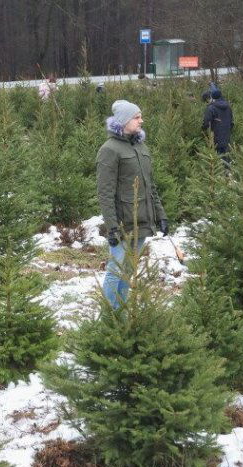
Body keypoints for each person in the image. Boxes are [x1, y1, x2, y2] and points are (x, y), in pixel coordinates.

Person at [96, 100, 168, 310]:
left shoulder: (141, 147)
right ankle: (110, 316)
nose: (141, 120)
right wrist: (112, 226)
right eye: (137, 117)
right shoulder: (109, 150)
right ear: (124, 120)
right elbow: (105, 192)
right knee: (116, 270)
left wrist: (160, 215)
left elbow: (149, 185)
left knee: (128, 270)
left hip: (142, 219)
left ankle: (123, 316)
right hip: (122, 222)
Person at [202, 84, 234, 162]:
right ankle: (228, 172)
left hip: (215, 138)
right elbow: (232, 123)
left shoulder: (211, 108)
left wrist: (203, 132)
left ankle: (220, 173)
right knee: (226, 157)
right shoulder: (228, 107)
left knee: (217, 159)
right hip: (226, 138)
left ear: (212, 97)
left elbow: (206, 123)